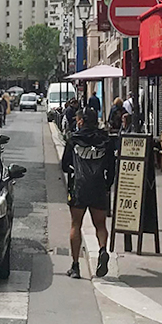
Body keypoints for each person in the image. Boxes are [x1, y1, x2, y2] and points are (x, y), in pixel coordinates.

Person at [61, 108, 115, 279]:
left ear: (81, 121)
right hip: (99, 186)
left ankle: (75, 266)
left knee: (76, 224)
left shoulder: (74, 139)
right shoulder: (105, 140)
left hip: (79, 187)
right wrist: (107, 184)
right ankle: (102, 250)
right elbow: (111, 167)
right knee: (100, 225)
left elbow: (64, 165)